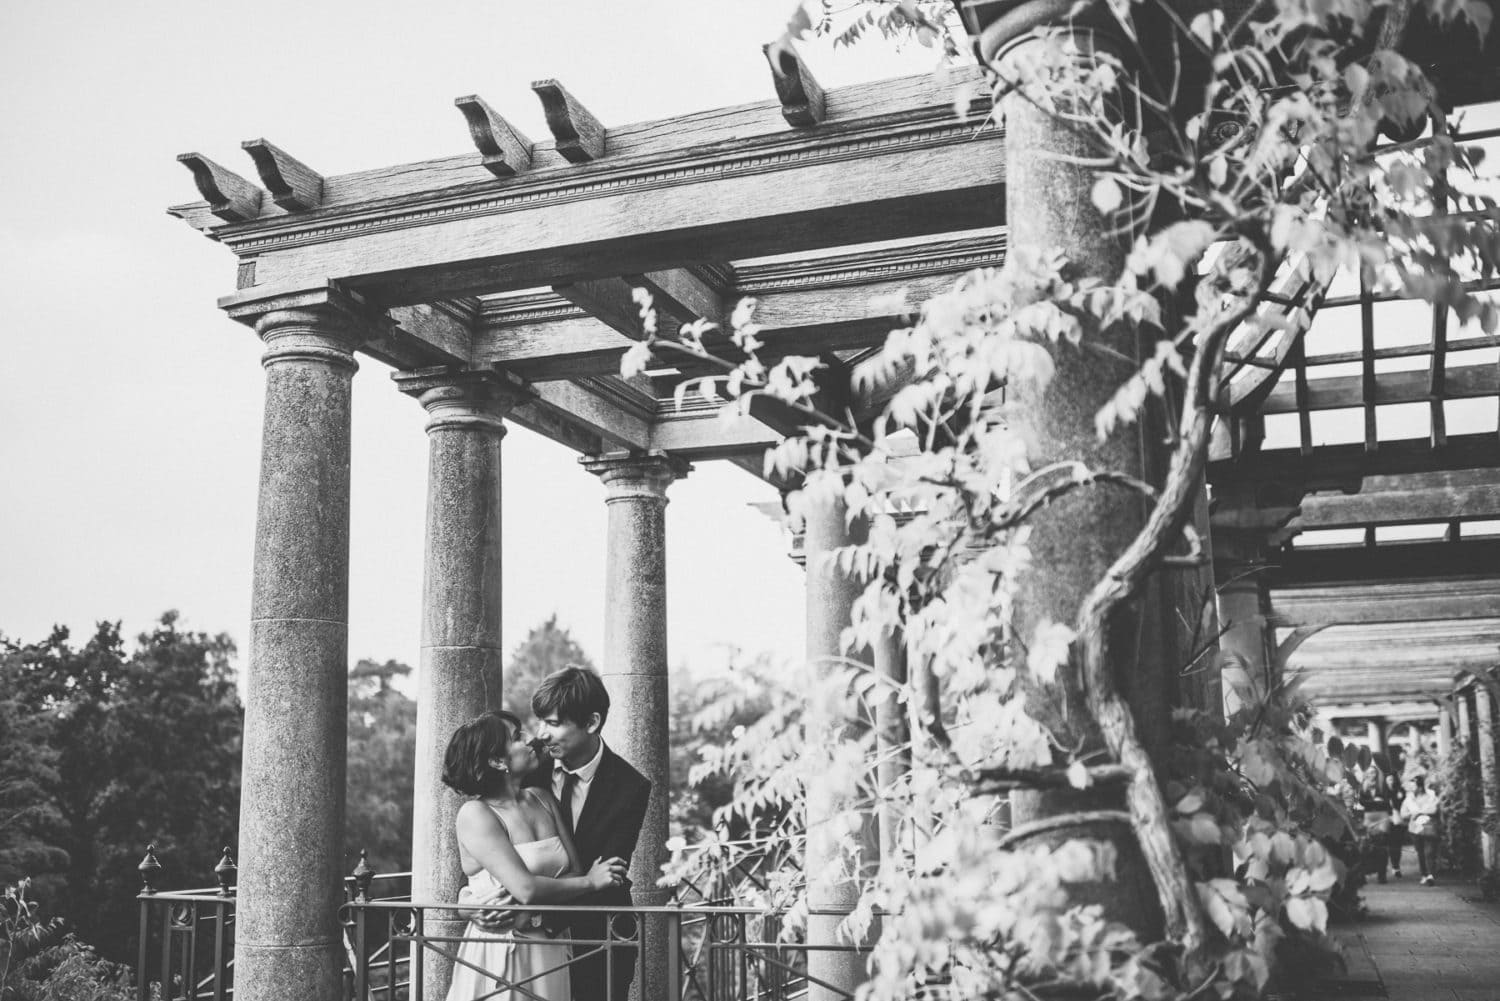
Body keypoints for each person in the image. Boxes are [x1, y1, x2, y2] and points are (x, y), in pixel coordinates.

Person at [441, 711, 629, 1001]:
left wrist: (534, 897)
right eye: (516, 737)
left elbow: (573, 871)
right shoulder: (475, 813)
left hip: (551, 945)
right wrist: (591, 883)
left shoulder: (541, 797)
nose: (531, 739)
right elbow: (527, 888)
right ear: (497, 761)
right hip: (501, 948)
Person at [534, 666, 652, 1001]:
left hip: (602, 936)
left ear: (592, 723)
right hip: (529, 936)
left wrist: (538, 902)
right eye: (541, 721)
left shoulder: (632, 787)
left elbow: (608, 872)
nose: (542, 733)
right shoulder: (529, 765)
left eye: (554, 723)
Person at [1400, 774, 1442, 885]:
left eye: (1413, 786)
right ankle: (1424, 874)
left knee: (1430, 851)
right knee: (1420, 852)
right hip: (1415, 827)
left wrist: (1419, 812)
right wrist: (1412, 814)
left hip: (1429, 825)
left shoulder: (1431, 795)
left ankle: (1430, 875)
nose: (1411, 788)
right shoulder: (1409, 799)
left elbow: (1434, 810)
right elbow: (1403, 814)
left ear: (1419, 786)